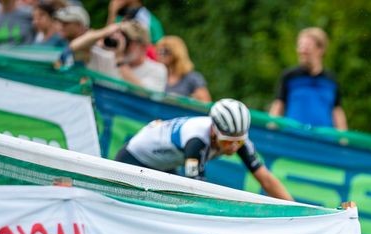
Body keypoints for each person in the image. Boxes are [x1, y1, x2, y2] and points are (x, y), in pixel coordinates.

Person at [114, 99, 293, 201]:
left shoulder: (238, 139)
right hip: (135, 157)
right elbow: (196, 190)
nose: (232, 147)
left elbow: (266, 179)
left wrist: (297, 210)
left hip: (164, 163)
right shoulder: (196, 140)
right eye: (227, 142)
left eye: (237, 143)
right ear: (214, 131)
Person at [267, 27, 346, 130]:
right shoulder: (289, 76)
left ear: (320, 49)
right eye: (300, 46)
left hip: (324, 141)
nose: (302, 51)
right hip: (294, 138)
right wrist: (270, 129)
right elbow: (278, 105)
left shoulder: (331, 80)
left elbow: (337, 110)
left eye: (307, 47)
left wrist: (343, 139)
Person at [70, 19, 166, 92]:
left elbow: (144, 93)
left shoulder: (157, 70)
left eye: (128, 41)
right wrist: (104, 32)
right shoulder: (107, 58)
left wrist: (120, 61)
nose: (123, 45)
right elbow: (73, 48)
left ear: (143, 47)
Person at [158, 35, 210, 102]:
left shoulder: (193, 78)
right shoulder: (158, 75)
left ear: (176, 52)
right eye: (159, 51)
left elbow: (205, 104)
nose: (161, 55)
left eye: (165, 51)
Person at [51, 1, 87, 66]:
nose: (61, 27)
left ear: (79, 25)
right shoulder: (60, 44)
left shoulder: (91, 48)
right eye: (61, 23)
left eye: (66, 23)